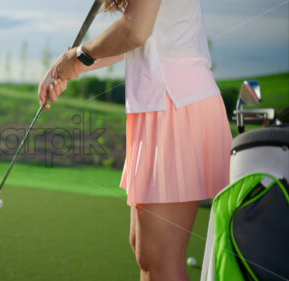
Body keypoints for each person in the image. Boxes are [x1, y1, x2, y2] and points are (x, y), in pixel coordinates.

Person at [37, 0, 232, 280]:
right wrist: (65, 66)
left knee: (159, 259)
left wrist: (80, 57)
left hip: (175, 104)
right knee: (147, 253)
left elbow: (134, 31)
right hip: (163, 105)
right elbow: (138, 39)